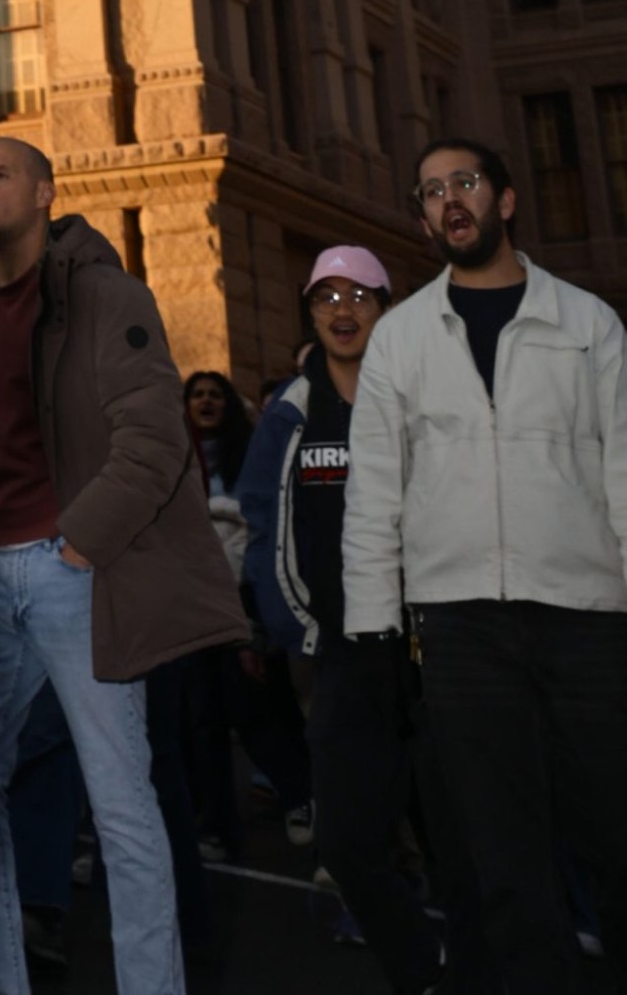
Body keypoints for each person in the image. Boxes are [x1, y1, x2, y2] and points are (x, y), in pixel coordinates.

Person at [0, 136, 245, 995]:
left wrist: (78, 544)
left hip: (72, 571)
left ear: (44, 193)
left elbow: (155, 438)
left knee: (121, 800)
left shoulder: (104, 295)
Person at [343, 138, 627, 992]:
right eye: (430, 192)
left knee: (614, 837)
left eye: (463, 182)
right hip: (461, 629)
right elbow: (375, 496)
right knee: (505, 861)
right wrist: (372, 630)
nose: (448, 201)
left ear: (504, 200)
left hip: (587, 621)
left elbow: (622, 472)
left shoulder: (588, 324)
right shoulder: (400, 340)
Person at [239, 246, 447, 992]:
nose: (343, 309)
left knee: (464, 835)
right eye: (326, 297)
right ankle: (419, 969)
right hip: (345, 656)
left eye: (360, 295)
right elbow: (264, 526)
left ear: (387, 308)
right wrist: (302, 628)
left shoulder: (425, 398)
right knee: (347, 840)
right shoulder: (292, 412)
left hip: (441, 655)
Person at [178, 369, 311, 858]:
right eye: (197, 395)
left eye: (215, 394)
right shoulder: (177, 457)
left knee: (254, 710)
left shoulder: (249, 453)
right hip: (190, 601)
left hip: (242, 597)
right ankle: (217, 826)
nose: (206, 401)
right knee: (203, 721)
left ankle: (302, 799)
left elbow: (256, 520)